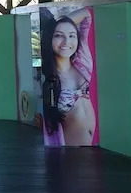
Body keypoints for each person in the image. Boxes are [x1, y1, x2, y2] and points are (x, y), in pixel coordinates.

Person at [41, 8, 95, 147]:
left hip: (93, 147)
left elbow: (86, 15)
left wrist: (61, 24)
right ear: (49, 38)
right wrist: (54, 27)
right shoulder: (50, 78)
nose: (66, 42)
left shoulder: (82, 62)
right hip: (70, 151)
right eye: (59, 35)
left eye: (71, 35)